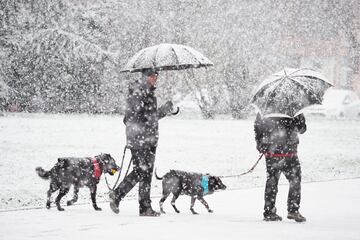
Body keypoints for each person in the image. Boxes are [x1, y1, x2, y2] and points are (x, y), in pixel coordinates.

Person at [109, 69, 177, 216]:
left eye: (156, 76)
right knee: (142, 170)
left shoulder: (147, 92)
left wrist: (163, 111)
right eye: (153, 76)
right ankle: (118, 194)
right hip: (140, 139)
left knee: (146, 173)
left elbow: (147, 117)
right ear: (145, 76)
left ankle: (145, 208)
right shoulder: (139, 92)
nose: (155, 79)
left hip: (149, 139)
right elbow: (137, 117)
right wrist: (163, 110)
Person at [254, 113, 307, 222]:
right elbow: (302, 129)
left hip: (273, 152)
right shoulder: (293, 109)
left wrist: (261, 144)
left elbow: (258, 127)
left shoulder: (266, 108)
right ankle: (293, 209)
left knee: (272, 182)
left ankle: (269, 211)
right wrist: (299, 121)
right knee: (295, 180)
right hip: (288, 152)